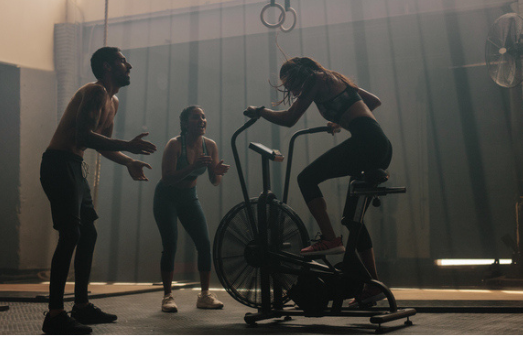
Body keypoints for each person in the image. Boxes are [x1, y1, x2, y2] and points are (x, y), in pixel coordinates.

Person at [245, 56, 392, 307]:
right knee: (351, 219)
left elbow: (289, 118)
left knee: (306, 177)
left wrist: (260, 112)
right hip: (378, 146)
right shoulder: (333, 78)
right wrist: (341, 119)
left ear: (301, 73)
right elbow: (373, 102)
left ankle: (330, 239)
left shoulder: (316, 79)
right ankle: (372, 287)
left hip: (366, 143)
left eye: (290, 83)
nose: (291, 90)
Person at [39, 47, 157, 334]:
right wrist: (128, 145)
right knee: (71, 234)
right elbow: (83, 136)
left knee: (87, 232)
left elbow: (102, 144)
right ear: (107, 66)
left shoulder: (112, 101)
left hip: (75, 166)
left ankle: (81, 307)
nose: (128, 65)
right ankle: (55, 315)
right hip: (59, 164)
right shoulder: (96, 91)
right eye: (121, 61)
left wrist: (128, 160)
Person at [153, 105, 230, 312]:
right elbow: (167, 178)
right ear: (185, 124)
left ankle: (204, 295)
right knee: (170, 244)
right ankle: (167, 297)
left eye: (204, 117)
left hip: (189, 198)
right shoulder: (174, 145)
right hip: (166, 198)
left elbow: (215, 181)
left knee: (205, 244)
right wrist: (192, 167)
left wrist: (217, 172)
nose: (202, 120)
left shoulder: (210, 145)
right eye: (196, 118)